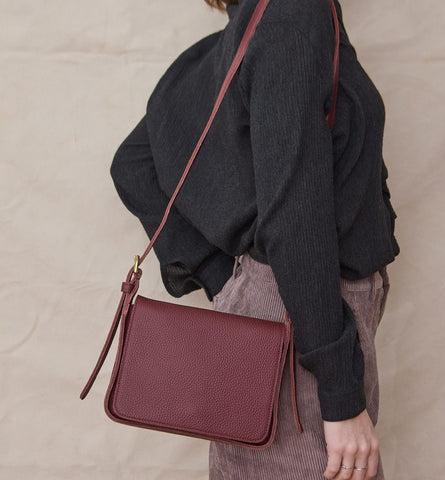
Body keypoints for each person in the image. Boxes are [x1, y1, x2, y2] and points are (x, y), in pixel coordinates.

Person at [109, 0, 400, 478]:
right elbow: (294, 218)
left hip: (294, 314)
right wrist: (340, 395)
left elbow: (133, 163)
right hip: (306, 321)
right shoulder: (292, 16)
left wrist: (231, 287)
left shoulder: (256, 29)